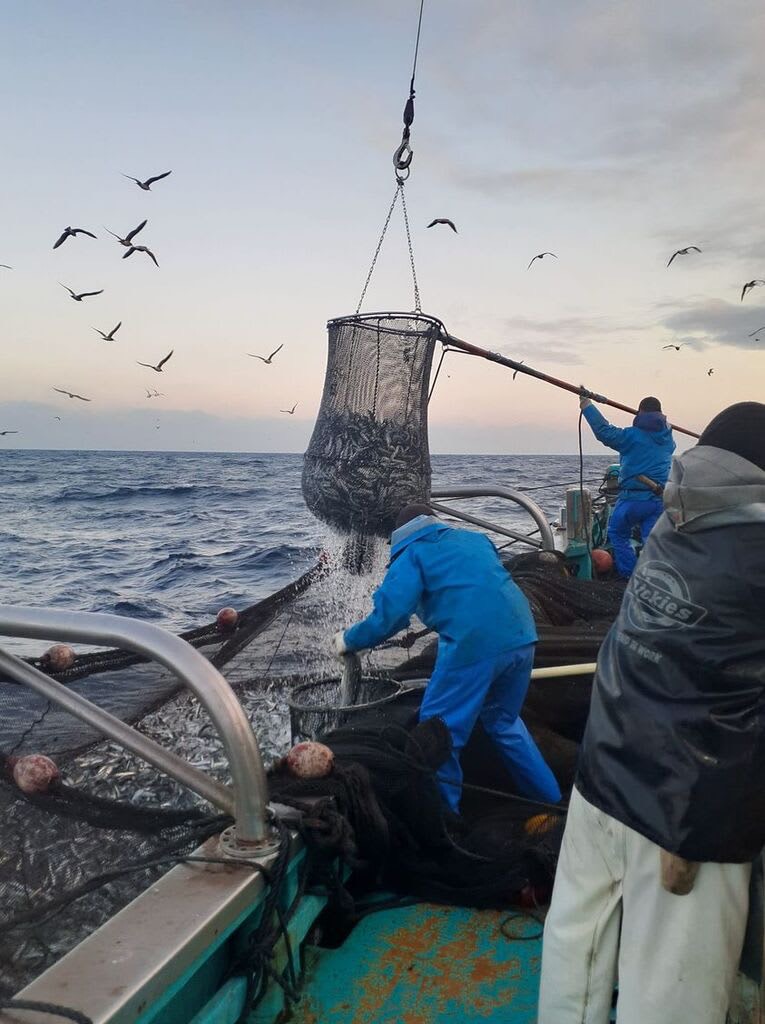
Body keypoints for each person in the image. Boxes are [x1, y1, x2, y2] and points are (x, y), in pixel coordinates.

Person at [538, 402, 765, 1024]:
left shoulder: (669, 520)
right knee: (670, 994)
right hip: (688, 816)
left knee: (574, 957)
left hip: (600, 775)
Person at [333, 504, 561, 812]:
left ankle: (446, 818)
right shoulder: (474, 539)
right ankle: (551, 800)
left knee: (438, 732)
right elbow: (480, 585)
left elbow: (391, 615)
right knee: (504, 722)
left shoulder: (412, 554)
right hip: (523, 636)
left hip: (474, 646)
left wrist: (349, 640)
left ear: (399, 536)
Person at [579, 392, 675, 578]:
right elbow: (665, 430)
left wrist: (587, 405)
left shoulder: (631, 436)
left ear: (640, 413)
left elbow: (604, 432)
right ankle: (654, 578)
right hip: (658, 499)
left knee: (618, 533)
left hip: (632, 499)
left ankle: (628, 575)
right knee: (652, 542)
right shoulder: (668, 438)